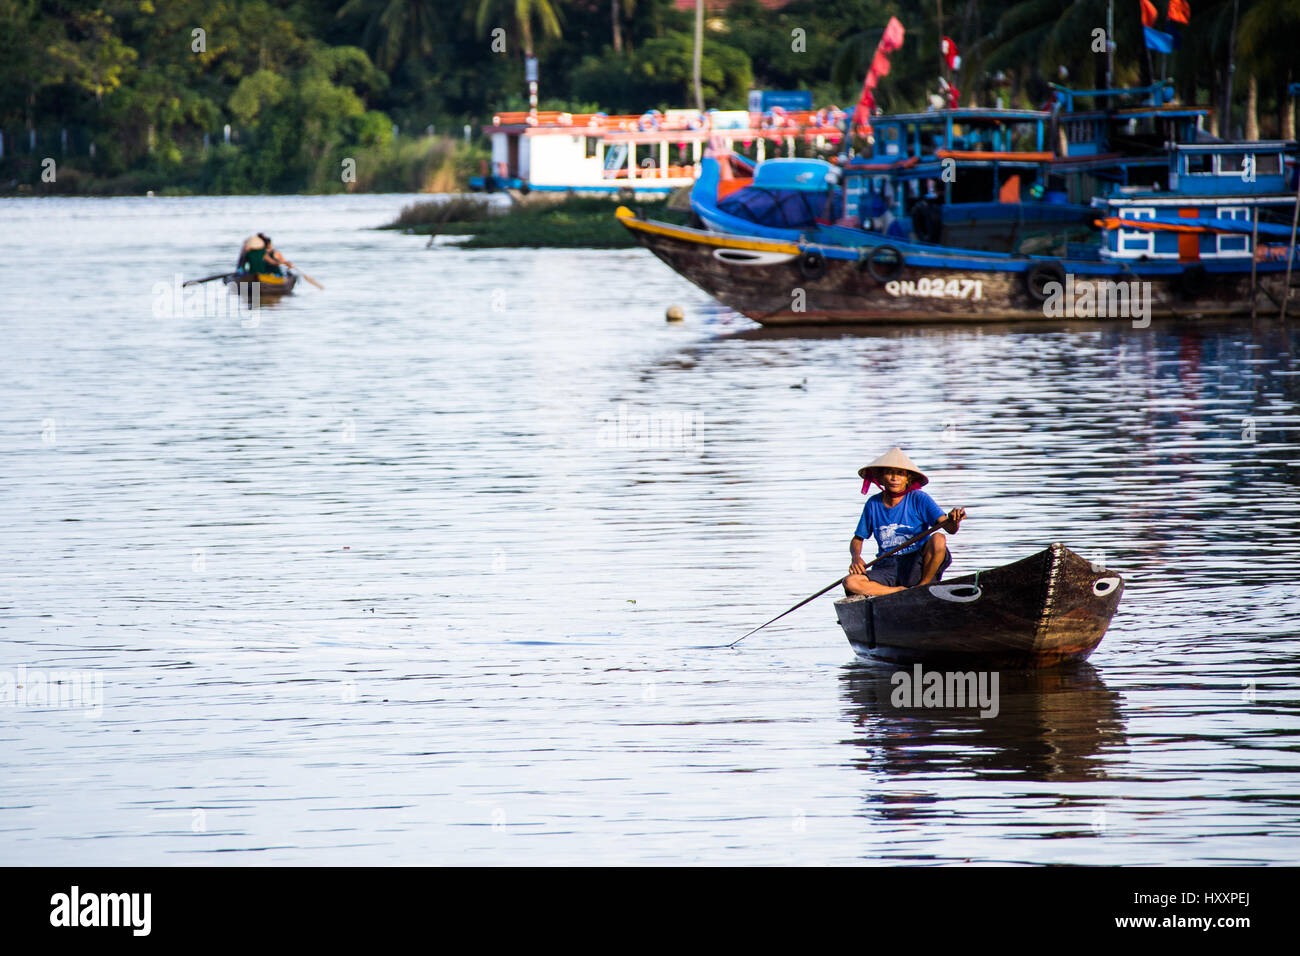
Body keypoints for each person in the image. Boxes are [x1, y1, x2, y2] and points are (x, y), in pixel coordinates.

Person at [844, 447, 965, 596]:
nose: (895, 478)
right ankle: (899, 592)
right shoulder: (873, 504)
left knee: (939, 538)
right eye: (889, 473)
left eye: (900, 474)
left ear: (908, 478)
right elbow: (857, 539)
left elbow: (950, 528)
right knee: (850, 582)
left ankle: (923, 586)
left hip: (916, 564)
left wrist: (954, 520)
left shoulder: (919, 499)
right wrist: (856, 557)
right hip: (886, 567)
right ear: (881, 478)